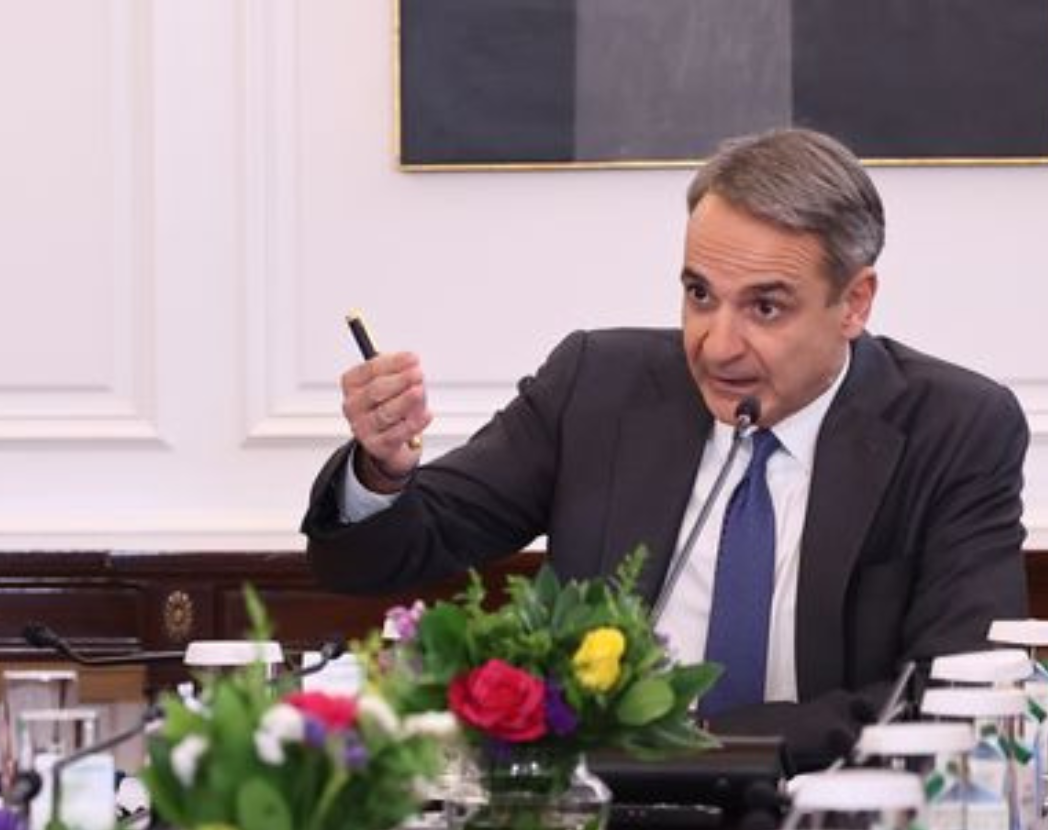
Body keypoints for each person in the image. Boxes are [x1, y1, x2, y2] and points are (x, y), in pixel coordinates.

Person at [302, 128, 1028, 772]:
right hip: (601, 828)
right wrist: (381, 471)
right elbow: (375, 558)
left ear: (855, 303)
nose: (718, 345)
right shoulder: (595, 388)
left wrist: (687, 744)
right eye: (700, 295)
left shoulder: (954, 429)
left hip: (834, 828)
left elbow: (954, 693)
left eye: (765, 307)